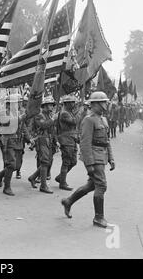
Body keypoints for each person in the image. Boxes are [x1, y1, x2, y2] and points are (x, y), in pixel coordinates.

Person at [61, 91, 115, 228]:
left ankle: (68, 201)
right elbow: (85, 143)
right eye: (103, 102)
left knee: (92, 185)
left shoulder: (103, 119)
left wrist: (111, 158)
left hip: (102, 156)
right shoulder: (88, 120)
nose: (105, 105)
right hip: (94, 157)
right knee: (101, 185)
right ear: (95, 104)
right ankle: (98, 218)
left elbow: (106, 141)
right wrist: (89, 164)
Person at [0, 93, 29, 196]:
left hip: (17, 140)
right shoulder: (4, 113)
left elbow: (23, 127)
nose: (19, 105)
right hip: (7, 141)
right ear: (10, 104)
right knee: (11, 163)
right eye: (17, 103)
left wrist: (29, 138)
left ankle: (1, 174)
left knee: (17, 165)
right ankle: (7, 187)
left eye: (19, 103)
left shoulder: (18, 113)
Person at [28, 96, 57, 194]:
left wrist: (55, 141)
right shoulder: (39, 115)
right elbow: (43, 125)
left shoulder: (49, 115)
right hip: (41, 139)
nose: (52, 107)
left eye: (52, 105)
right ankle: (43, 186)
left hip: (49, 139)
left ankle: (33, 177)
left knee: (48, 161)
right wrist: (53, 119)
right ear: (44, 105)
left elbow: (52, 130)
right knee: (45, 162)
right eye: (50, 105)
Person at [55, 94, 79, 191]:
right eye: (72, 103)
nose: (74, 104)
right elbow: (74, 122)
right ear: (68, 103)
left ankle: (60, 177)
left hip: (71, 139)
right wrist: (80, 112)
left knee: (73, 161)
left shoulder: (69, 112)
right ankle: (63, 182)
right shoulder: (65, 113)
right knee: (66, 162)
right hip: (66, 139)